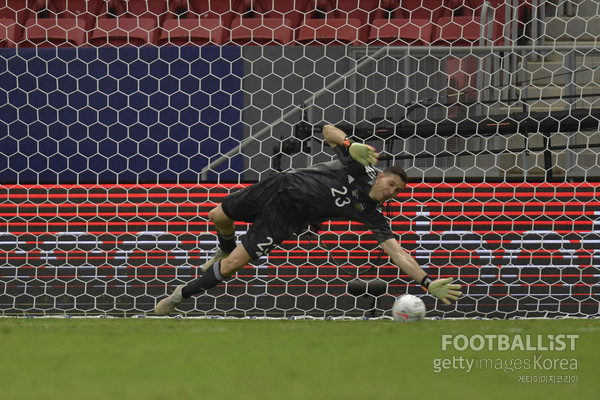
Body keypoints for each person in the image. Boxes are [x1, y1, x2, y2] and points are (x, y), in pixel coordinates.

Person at [155, 124, 462, 315]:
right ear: (381, 176)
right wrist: (348, 144)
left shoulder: (373, 214)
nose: (391, 192)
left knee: (235, 265)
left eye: (397, 191)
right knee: (216, 216)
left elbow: (397, 253)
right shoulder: (359, 167)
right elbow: (328, 130)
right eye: (390, 184)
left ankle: (178, 296)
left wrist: (427, 281)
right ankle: (223, 245)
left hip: (287, 218)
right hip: (276, 187)